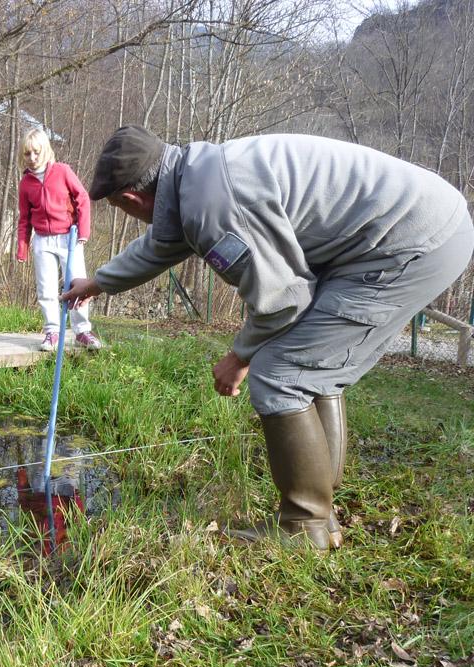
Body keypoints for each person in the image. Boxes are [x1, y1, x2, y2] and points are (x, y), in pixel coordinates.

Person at [63, 126, 474, 550]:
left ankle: (305, 526)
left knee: (281, 371)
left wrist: (238, 357)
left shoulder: (213, 207)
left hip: (410, 243)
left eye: (119, 206)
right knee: (309, 371)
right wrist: (96, 284)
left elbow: (281, 302)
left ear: (130, 198)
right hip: (416, 226)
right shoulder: (197, 175)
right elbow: (159, 246)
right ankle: (320, 512)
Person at [16, 127, 103, 353]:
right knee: (45, 287)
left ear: (45, 150)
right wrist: (22, 248)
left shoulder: (62, 171)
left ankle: (82, 331)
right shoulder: (26, 183)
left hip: (69, 237)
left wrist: (83, 231)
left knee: (78, 284)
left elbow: (82, 197)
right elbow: (24, 218)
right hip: (42, 241)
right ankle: (52, 331)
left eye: (36, 152)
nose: (32, 158)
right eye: (27, 154)